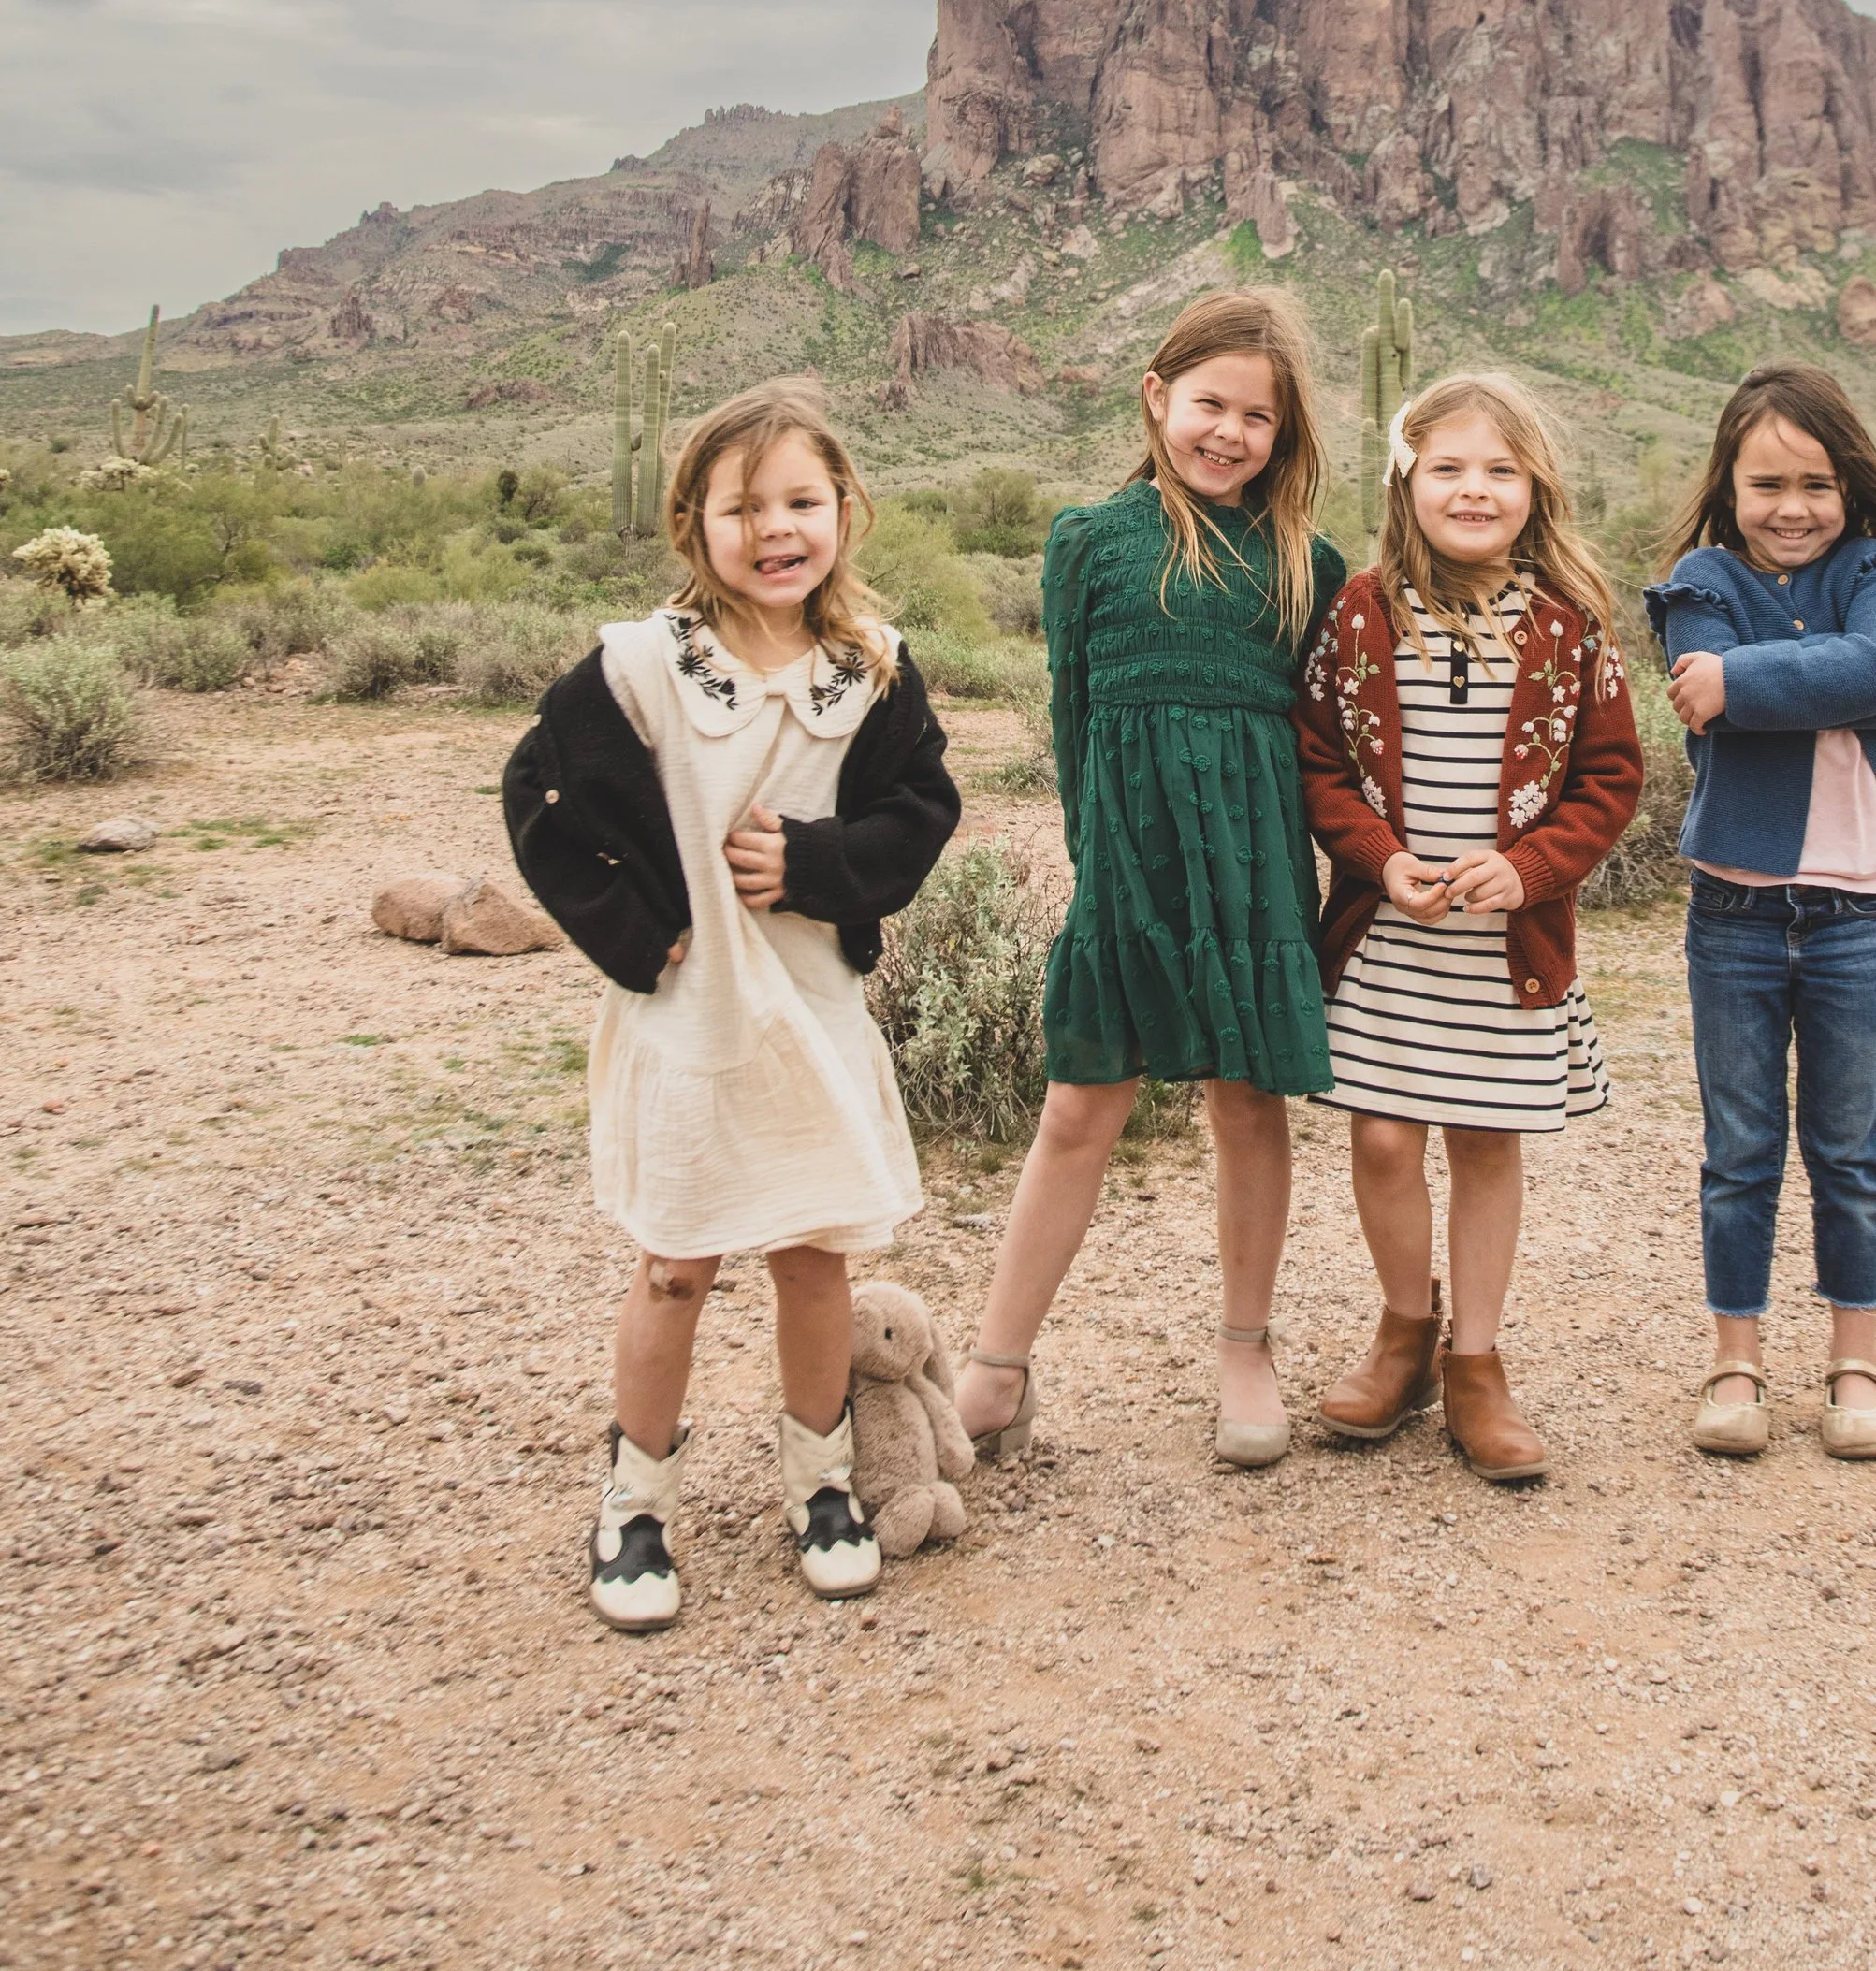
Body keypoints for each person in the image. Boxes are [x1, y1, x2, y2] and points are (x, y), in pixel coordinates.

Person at [504, 379, 958, 1626]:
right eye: (742, 505)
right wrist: (638, 932)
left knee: (814, 1257)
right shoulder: (645, 668)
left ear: (845, 510)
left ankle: (821, 1484)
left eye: (802, 500)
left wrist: (816, 866)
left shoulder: (869, 668)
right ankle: (634, 1500)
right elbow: (540, 795)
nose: (776, 528)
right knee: (675, 1268)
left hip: (810, 1012)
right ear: (692, 523)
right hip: (693, 1021)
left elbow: (920, 812)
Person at [953, 292, 1345, 1473]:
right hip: (1128, 864)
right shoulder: (1089, 539)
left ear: (1283, 435)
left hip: (1257, 867)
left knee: (1246, 1099)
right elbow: (1074, 721)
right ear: (1156, 398)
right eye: (1209, 405)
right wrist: (1101, 870)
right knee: (1080, 1104)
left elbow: (1325, 738)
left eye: (1257, 418)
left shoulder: (1303, 562)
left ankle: (1243, 1347)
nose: (1228, 433)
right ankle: (997, 1364)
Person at [1295, 373, 1643, 1481]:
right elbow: (1316, 763)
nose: (1473, 488)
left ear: (1534, 487)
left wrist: (1532, 868)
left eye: (1499, 469)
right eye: (1447, 466)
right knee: (1385, 1138)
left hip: (1503, 950)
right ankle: (1405, 1327)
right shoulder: (1356, 612)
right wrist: (1379, 859)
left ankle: (1475, 1361)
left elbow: (1610, 778)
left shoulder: (1568, 627)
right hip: (1391, 938)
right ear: (1407, 482)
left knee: (1487, 1140)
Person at [1644, 362, 1876, 1464]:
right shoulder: (1698, 577)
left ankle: (1854, 1362)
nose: (1792, 507)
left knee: (1848, 1146)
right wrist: (1842, 676)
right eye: (1765, 482)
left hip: (1856, 910)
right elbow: (1700, 688)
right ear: (1728, 487)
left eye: (1814, 482)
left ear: (1848, 486)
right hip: (1734, 912)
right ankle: (1737, 1359)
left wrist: (1757, 679)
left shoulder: (1875, 568)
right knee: (1741, 1146)